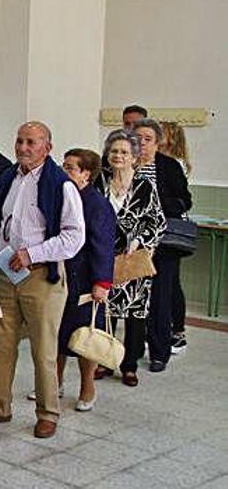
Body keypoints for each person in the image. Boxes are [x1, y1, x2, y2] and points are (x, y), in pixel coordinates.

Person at [0, 121, 85, 439]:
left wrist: (33, 253)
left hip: (41, 278)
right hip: (7, 274)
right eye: (20, 141)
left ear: (47, 147)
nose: (23, 147)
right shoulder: (8, 177)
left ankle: (48, 412)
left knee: (43, 349)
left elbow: (74, 237)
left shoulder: (61, 185)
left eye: (31, 142)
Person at [96, 130, 166, 387]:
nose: (118, 156)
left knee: (135, 314)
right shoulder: (99, 180)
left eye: (124, 152)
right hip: (103, 257)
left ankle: (130, 365)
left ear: (135, 157)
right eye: (114, 151)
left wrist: (139, 241)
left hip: (133, 258)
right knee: (105, 311)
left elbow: (157, 223)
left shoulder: (145, 186)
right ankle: (104, 360)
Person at [51, 149, 116, 412]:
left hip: (85, 279)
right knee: (55, 335)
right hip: (59, 276)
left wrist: (102, 282)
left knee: (85, 336)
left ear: (86, 174)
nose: (64, 172)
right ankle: (53, 383)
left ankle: (87, 387)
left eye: (70, 168)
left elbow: (103, 246)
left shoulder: (97, 204)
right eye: (63, 166)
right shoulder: (61, 197)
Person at [132, 118, 192, 372]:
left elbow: (184, 202)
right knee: (132, 298)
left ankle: (159, 352)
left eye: (147, 139)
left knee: (160, 297)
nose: (142, 144)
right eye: (137, 138)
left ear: (157, 143)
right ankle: (128, 354)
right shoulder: (123, 162)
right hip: (131, 243)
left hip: (163, 242)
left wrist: (155, 201)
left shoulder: (169, 166)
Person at [158, 121, 191, 354]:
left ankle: (177, 330)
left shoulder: (174, 164)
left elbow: (181, 199)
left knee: (171, 283)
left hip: (171, 228)